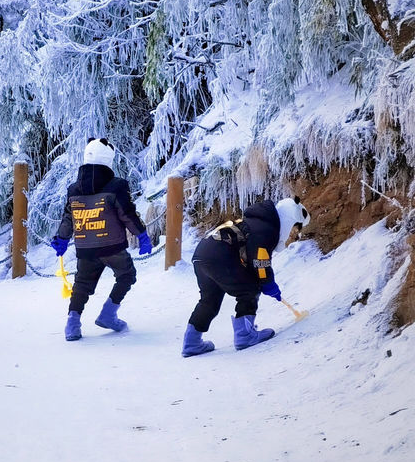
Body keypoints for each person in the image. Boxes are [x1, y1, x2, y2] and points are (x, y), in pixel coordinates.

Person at [182, 196, 310, 357]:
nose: (295, 236)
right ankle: (245, 335)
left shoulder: (256, 223)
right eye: (295, 230)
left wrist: (265, 280)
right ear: (289, 219)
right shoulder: (267, 229)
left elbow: (252, 259)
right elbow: (260, 262)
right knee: (250, 288)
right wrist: (268, 283)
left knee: (209, 301)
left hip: (201, 256)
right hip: (219, 255)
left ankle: (191, 343)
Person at [50, 138, 152, 341]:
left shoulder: (74, 189)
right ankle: (108, 314)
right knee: (127, 275)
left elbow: (69, 217)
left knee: (82, 284)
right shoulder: (116, 186)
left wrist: (61, 239)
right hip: (112, 246)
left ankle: (72, 324)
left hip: (85, 248)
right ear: (108, 159)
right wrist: (141, 234)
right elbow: (127, 213)